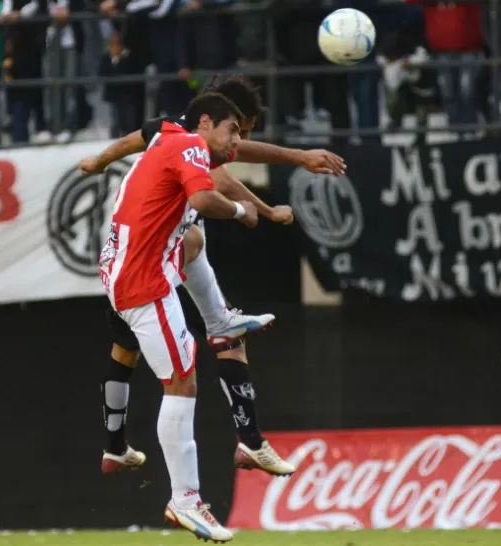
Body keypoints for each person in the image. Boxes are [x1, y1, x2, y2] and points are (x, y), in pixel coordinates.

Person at [80, 76, 345, 478]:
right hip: (145, 259)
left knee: (133, 341)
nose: (241, 143)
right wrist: (267, 207)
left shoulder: (169, 128)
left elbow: (129, 141)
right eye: (240, 130)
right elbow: (219, 182)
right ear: (218, 121)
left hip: (137, 255)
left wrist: (98, 161)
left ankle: (117, 445)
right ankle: (223, 458)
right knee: (182, 367)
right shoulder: (188, 144)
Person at [100, 91, 253, 543]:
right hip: (143, 281)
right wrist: (244, 211)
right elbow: (205, 202)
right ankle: (185, 500)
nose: (236, 143)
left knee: (177, 363)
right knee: (181, 378)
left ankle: (127, 454)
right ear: (205, 123)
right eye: (232, 131)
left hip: (123, 273)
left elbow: (181, 219)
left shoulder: (167, 136)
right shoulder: (189, 145)